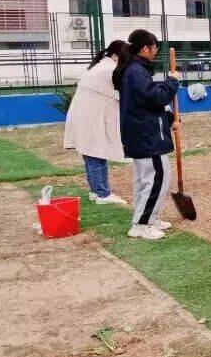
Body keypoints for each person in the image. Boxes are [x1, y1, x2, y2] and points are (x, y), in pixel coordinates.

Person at [112, 29, 181, 241]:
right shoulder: (135, 71)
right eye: (154, 47)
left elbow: (144, 102)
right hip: (146, 137)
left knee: (146, 180)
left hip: (143, 133)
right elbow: (155, 97)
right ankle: (141, 225)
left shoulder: (135, 71)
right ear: (145, 48)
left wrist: (169, 119)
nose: (156, 50)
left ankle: (149, 217)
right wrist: (172, 82)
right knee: (157, 179)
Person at [63, 40, 130, 206]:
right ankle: (102, 193)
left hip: (86, 115)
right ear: (115, 56)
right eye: (125, 57)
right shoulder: (109, 68)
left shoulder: (100, 66)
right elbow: (124, 93)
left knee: (91, 153)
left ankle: (95, 191)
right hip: (89, 117)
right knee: (96, 152)